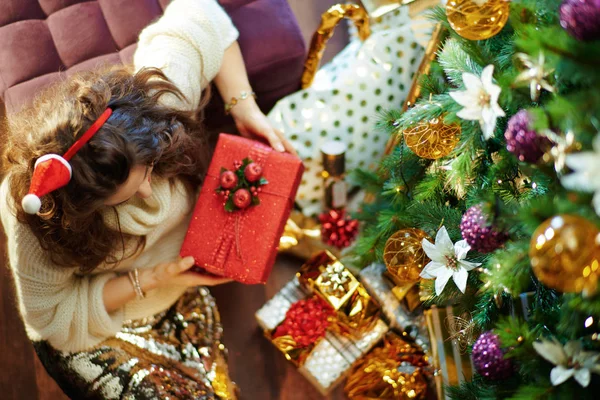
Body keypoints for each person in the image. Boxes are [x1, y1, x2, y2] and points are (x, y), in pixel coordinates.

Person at [0, 0, 295, 398]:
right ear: (80, 211)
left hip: (174, 275)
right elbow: (53, 318)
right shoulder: (35, 222)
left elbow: (201, 14)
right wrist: (154, 279)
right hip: (93, 317)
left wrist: (245, 107)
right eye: (123, 198)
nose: (147, 192)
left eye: (149, 171)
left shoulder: (155, 109)